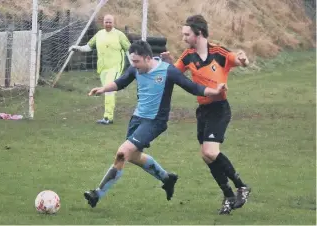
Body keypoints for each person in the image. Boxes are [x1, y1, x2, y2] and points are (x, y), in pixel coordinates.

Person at [83, 40, 228, 208]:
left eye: (137, 61)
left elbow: (192, 87)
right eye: (132, 62)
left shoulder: (168, 71)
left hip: (155, 121)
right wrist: (103, 88)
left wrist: (215, 91)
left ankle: (97, 194)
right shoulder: (135, 69)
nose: (134, 65)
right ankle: (167, 178)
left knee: (122, 153)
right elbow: (121, 82)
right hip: (137, 119)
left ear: (147, 58)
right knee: (134, 156)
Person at [160, 14, 251, 215]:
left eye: (186, 34)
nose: (183, 38)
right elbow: (175, 75)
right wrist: (168, 63)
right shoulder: (187, 56)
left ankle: (241, 186)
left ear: (198, 33)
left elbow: (237, 59)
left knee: (210, 152)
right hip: (203, 111)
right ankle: (228, 196)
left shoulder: (218, 52)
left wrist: (243, 59)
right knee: (207, 156)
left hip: (219, 109)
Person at [69, 14, 131, 125]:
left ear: (114, 23)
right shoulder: (99, 34)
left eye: (110, 22)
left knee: (109, 90)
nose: (108, 24)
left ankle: (108, 117)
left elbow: (128, 50)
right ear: (103, 23)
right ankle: (107, 116)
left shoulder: (119, 35)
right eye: (106, 22)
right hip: (103, 68)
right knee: (106, 90)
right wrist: (77, 48)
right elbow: (89, 46)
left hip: (115, 67)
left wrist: (134, 65)